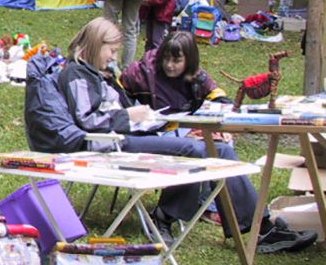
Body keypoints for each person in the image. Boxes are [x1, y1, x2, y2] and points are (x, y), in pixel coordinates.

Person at [51, 18, 314, 251]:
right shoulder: (77, 75)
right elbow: (88, 121)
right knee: (195, 149)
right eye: (112, 51)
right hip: (110, 143)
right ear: (97, 45)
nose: (113, 57)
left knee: (218, 149)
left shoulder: (98, 74)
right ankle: (166, 215)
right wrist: (130, 117)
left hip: (129, 134)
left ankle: (260, 225)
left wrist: (144, 117)